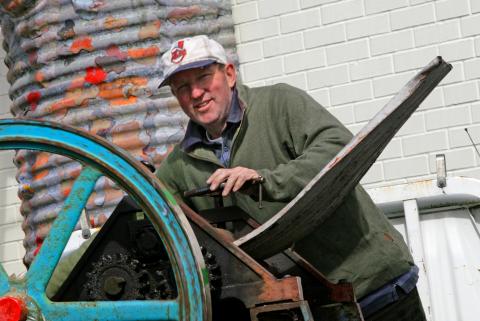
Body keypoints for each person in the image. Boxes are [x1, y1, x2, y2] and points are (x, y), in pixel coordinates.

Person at [156, 35, 426, 320]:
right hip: (309, 308)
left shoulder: (280, 103)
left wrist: (265, 180)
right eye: (183, 88)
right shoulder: (178, 166)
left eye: (203, 78)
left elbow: (338, 148)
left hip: (373, 286)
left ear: (230, 74)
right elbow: (149, 211)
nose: (196, 93)